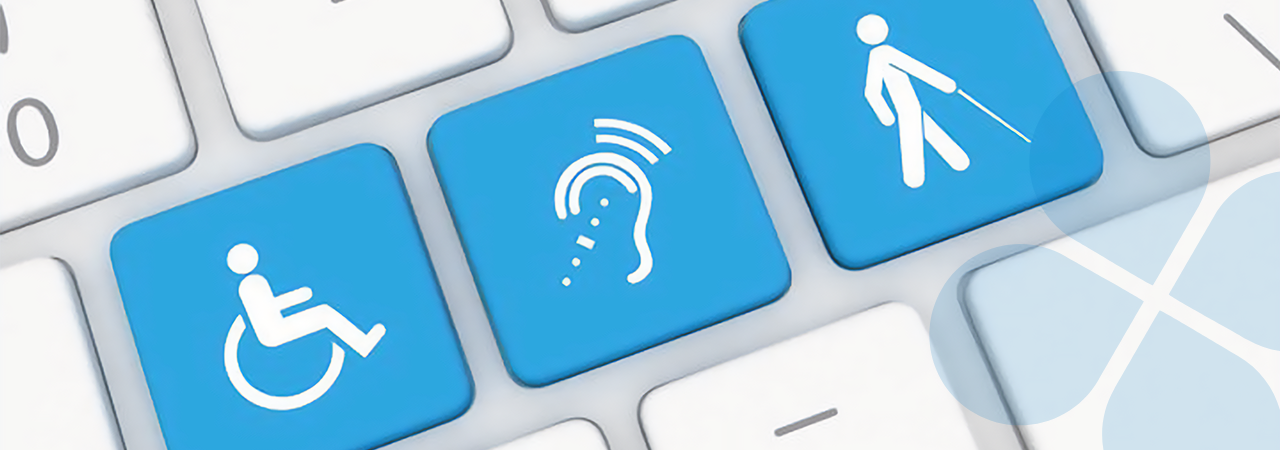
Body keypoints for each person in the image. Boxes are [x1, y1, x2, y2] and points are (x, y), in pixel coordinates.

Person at [859, 13, 970, 189]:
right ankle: (914, 178)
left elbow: (872, 91)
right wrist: (946, 85)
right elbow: (915, 69)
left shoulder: (880, 55)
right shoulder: (884, 54)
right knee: (912, 131)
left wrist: (884, 113)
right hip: (905, 106)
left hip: (911, 103)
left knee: (924, 126)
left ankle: (957, 160)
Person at [227, 243, 386, 358]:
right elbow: (269, 309)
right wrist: (299, 296)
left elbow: (270, 308)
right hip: (275, 331)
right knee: (325, 314)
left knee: (324, 313)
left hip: (275, 328)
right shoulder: (253, 283)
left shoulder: (250, 282)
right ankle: (362, 344)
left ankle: (361, 343)